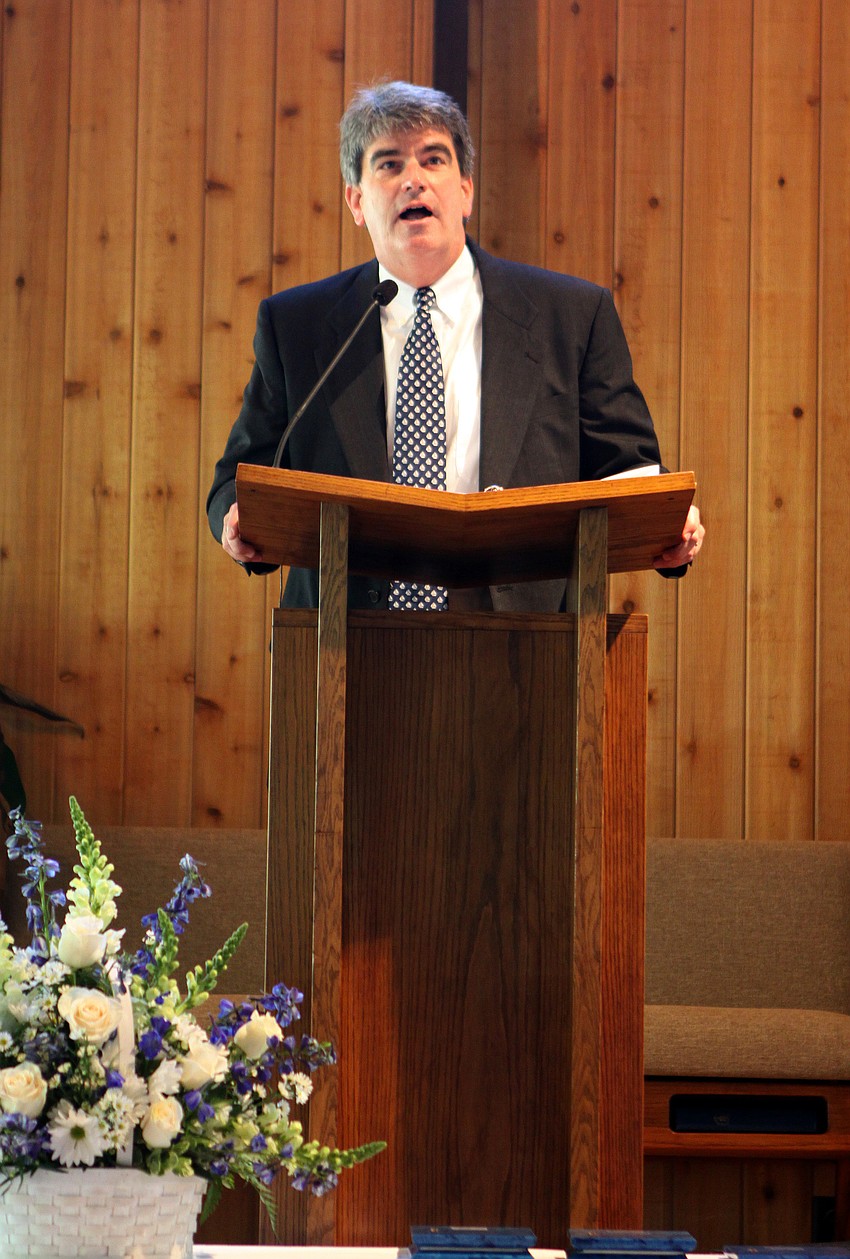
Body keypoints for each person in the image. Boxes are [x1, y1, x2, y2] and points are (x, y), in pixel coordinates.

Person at [207, 80, 704, 610]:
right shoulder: (297, 326)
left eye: (434, 160)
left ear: (465, 189)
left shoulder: (572, 316)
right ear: (356, 200)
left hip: (530, 649)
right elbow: (239, 480)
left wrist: (668, 524)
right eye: (389, 164)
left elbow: (628, 468)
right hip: (341, 647)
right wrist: (237, 521)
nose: (413, 181)